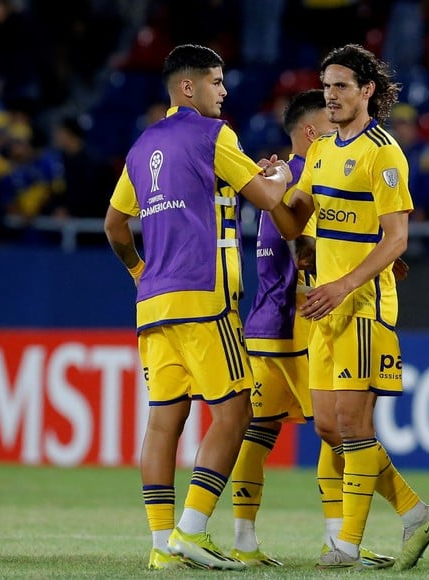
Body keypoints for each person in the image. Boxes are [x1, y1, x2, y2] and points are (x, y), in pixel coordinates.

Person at [103, 44, 292, 571]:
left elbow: (114, 225)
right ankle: (191, 529)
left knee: (165, 418)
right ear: (188, 87)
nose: (224, 91)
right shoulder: (214, 134)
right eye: (216, 81)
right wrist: (283, 176)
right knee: (236, 410)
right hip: (204, 299)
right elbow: (271, 199)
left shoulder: (142, 148)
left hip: (154, 305)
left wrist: (141, 273)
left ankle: (162, 546)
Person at [263, 44, 429, 571]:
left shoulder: (383, 152)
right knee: (326, 426)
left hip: (363, 303)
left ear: (367, 91)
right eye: (326, 86)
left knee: (352, 423)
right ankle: (415, 513)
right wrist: (270, 191)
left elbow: (396, 240)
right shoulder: (319, 150)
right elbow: (294, 223)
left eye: (342, 85)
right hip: (326, 305)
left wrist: (342, 285)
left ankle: (346, 543)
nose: (332, 95)